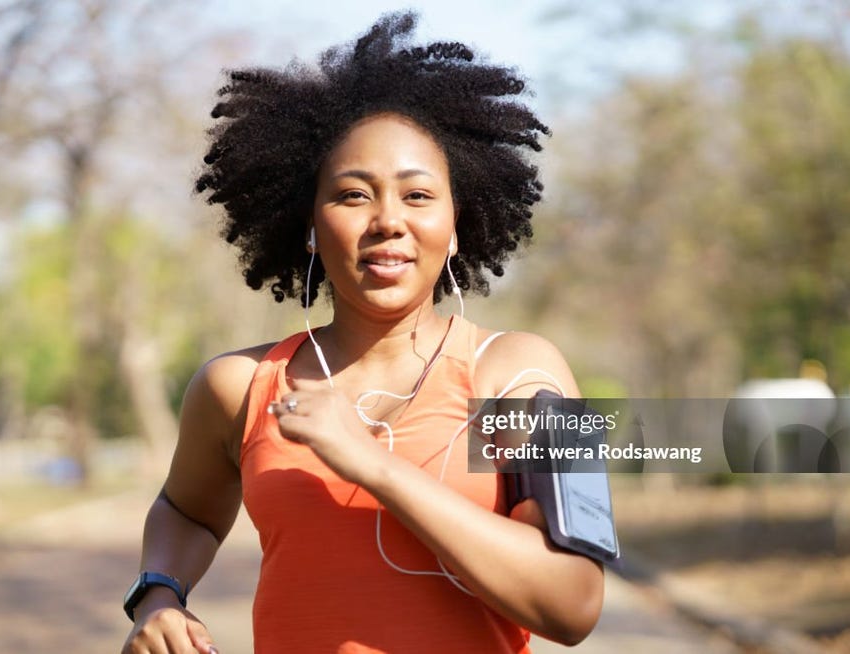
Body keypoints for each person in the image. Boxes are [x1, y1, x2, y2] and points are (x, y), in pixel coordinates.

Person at [122, 12, 603, 654]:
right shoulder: (237, 387)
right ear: (311, 228)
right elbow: (186, 511)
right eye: (353, 196)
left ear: (457, 225)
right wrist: (158, 593)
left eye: (418, 196)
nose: (388, 222)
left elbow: (574, 603)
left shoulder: (521, 374)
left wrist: (374, 466)